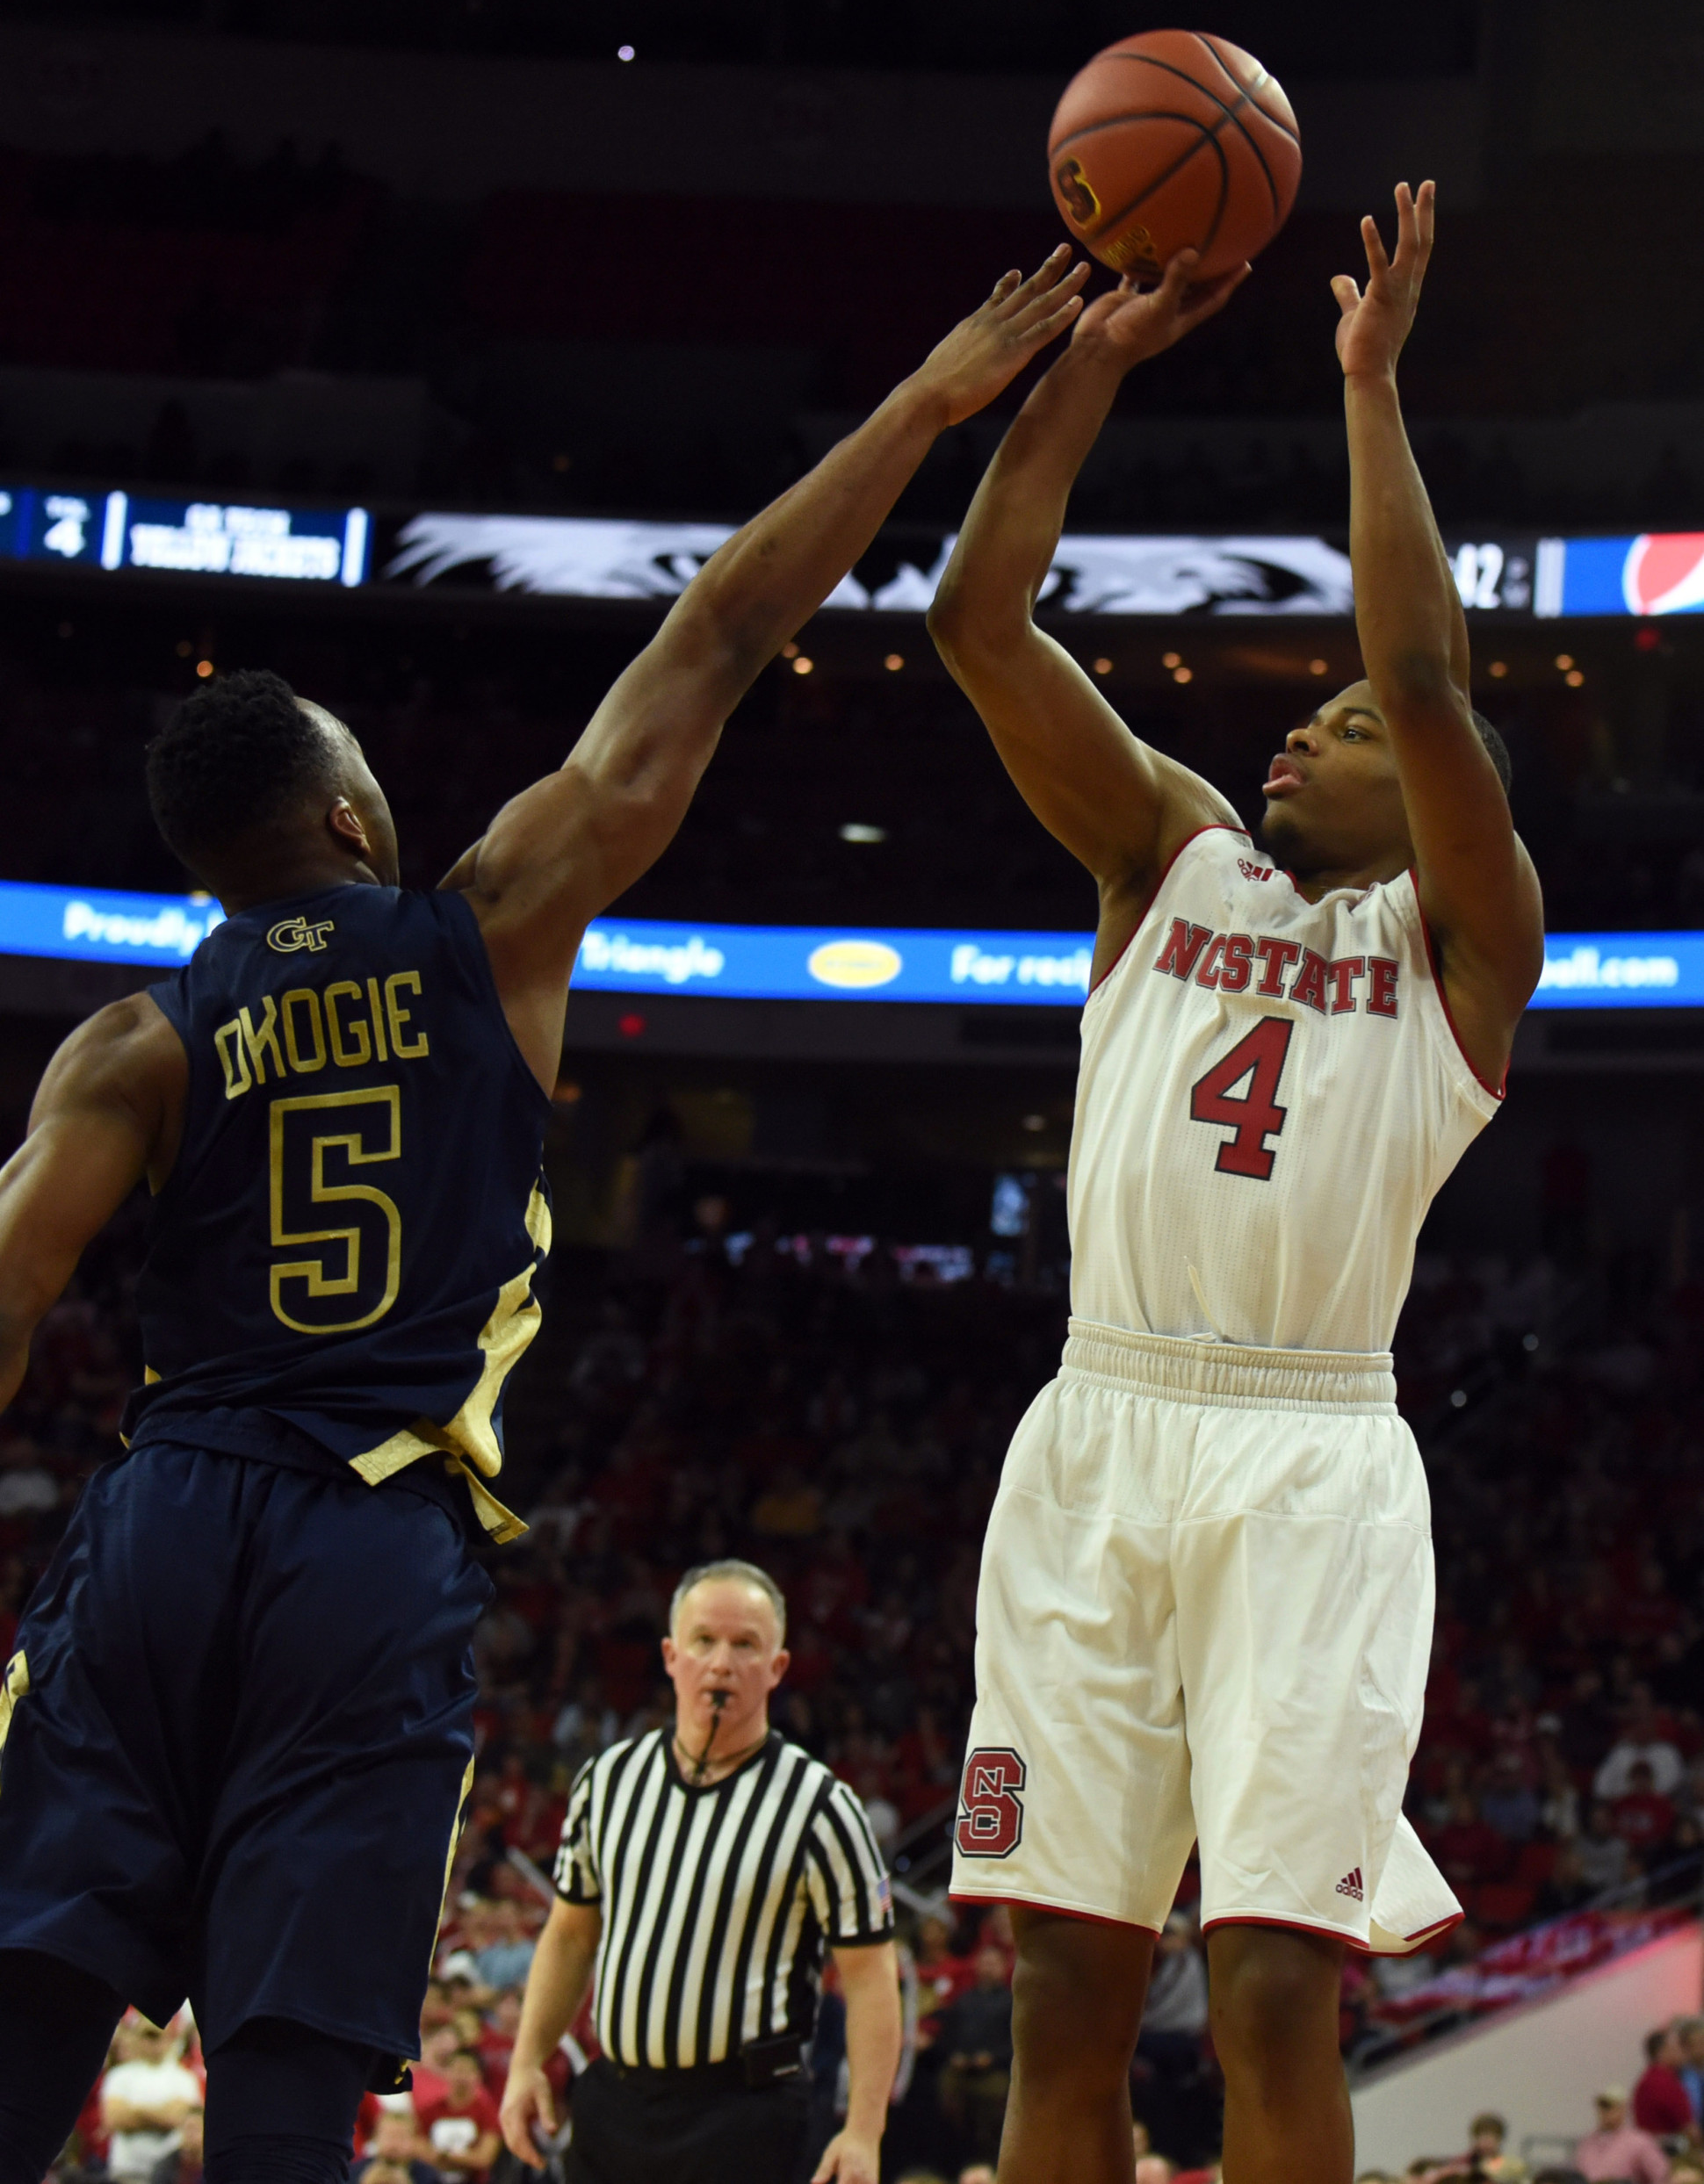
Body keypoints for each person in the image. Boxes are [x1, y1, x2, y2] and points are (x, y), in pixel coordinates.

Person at [0, 248, 1087, 2184]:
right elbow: (723, 626)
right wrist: (925, 404)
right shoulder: (487, 919)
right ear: (342, 820)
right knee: (281, 2055)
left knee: (27, 1975)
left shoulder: (125, 1047)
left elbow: (4, 1293)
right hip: (365, 1541)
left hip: (160, 1508)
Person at [929, 184, 1543, 2184]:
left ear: (1435, 797)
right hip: (1098, 1425)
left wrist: (1370, 392)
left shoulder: (1464, 951)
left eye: (1351, 727)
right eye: (1316, 708)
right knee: (1064, 1997)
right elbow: (978, 625)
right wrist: (1081, 384)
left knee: (1277, 1987)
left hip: (1309, 1458)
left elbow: (1435, 684)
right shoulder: (1165, 858)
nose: (1317, 727)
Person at [501, 1560, 903, 2184]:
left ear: (777, 1669)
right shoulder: (607, 1782)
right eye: (704, 1641)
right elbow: (570, 1935)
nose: (722, 1663)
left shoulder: (821, 1805)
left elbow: (872, 1976)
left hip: (745, 2116)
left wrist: (863, 2131)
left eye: (746, 1645)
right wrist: (528, 2060)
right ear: (670, 1655)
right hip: (615, 2104)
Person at [935, 1948, 1014, 2166]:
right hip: (960, 2070)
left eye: (993, 1963)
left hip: (994, 2072)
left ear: (1004, 1968)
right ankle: (952, 2163)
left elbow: (1015, 2044)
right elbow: (947, 2036)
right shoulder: (963, 2001)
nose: (988, 1968)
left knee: (994, 2105)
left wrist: (993, 2058)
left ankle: (990, 2164)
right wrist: (954, 2056)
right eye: (984, 1962)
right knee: (945, 2091)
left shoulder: (1011, 2002)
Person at [100, 2021, 202, 2184]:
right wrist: (163, 2113)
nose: (151, 2042)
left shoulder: (184, 2078)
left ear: (170, 2038)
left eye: (156, 2036)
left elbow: (179, 2119)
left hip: (170, 2175)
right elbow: (114, 2119)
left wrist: (135, 2112)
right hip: (127, 2172)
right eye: (146, 2036)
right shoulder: (119, 2076)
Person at [415, 2051, 502, 2180]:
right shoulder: (430, 2111)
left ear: (478, 2075)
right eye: (456, 2070)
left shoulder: (487, 2112)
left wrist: (446, 2156)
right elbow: (419, 2147)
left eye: (467, 2071)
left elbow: (485, 2157)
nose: (461, 2077)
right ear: (445, 2073)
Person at [1574, 2087, 1670, 2184]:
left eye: (1611, 2107)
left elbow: (1661, 2175)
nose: (1606, 2112)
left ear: (1623, 2109)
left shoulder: (1639, 2141)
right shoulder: (1587, 2143)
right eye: (1603, 2107)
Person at [1635, 2029, 1697, 2142]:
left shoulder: (1646, 2080)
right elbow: (1689, 2130)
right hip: (1671, 2154)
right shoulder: (1664, 2085)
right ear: (1663, 2052)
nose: (1683, 2052)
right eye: (1678, 2047)